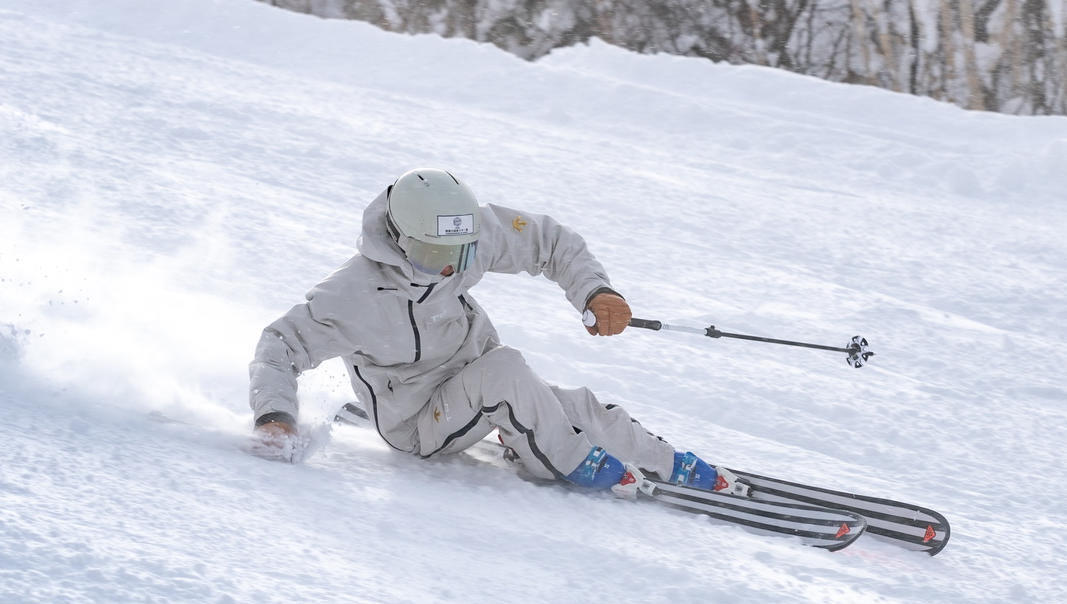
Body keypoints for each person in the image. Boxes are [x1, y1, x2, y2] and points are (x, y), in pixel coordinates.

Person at [249, 168, 737, 498]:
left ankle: (669, 462)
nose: (447, 270)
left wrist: (594, 292)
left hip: (475, 378)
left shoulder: (464, 240)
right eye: (433, 256)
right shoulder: (353, 294)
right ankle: (565, 461)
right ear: (398, 240)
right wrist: (275, 415)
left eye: (458, 256)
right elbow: (278, 346)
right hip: (418, 422)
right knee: (507, 374)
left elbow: (549, 241)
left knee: (576, 406)